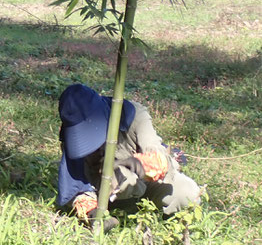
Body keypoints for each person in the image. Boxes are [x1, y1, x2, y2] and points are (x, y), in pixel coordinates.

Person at [56, 83, 201, 229]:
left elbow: (158, 155)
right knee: (119, 178)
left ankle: (168, 223)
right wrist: (92, 213)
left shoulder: (134, 116)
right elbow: (75, 185)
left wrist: (138, 164)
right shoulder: (71, 139)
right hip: (104, 197)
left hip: (146, 185)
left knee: (188, 194)